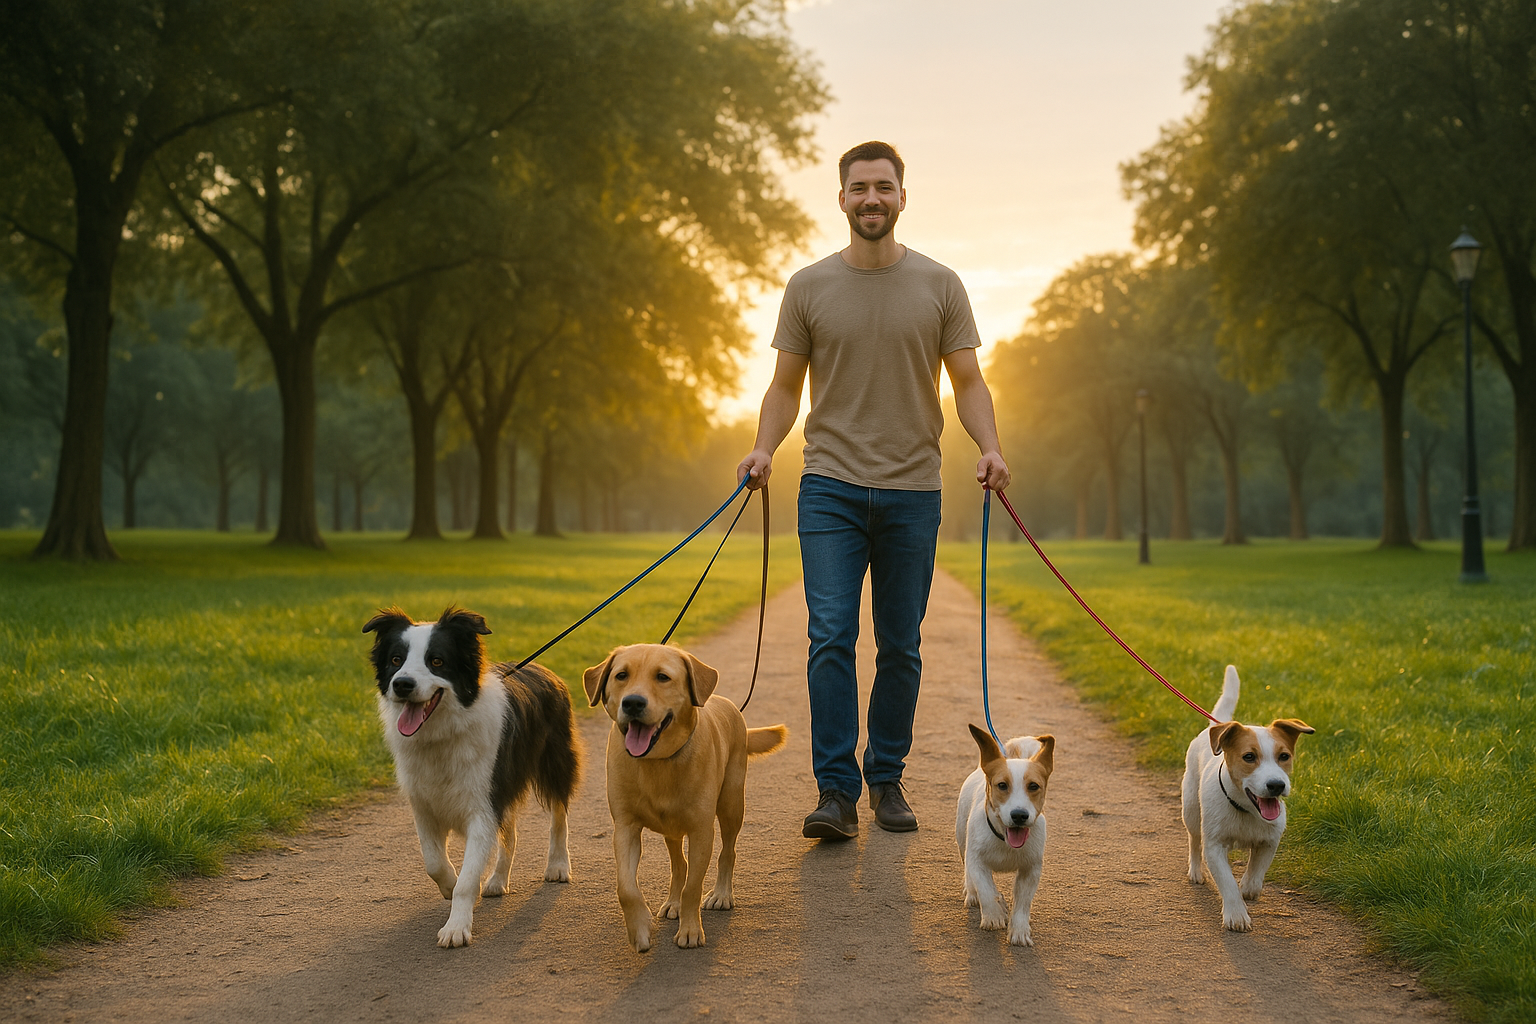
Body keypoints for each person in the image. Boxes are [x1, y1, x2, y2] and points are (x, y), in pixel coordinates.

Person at [736, 140, 1010, 840]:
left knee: (900, 645)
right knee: (830, 635)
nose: (871, 199)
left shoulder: (940, 284)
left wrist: (990, 448)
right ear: (841, 199)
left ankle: (886, 777)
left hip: (913, 491)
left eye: (883, 187)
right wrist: (764, 448)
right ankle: (836, 792)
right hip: (827, 486)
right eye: (859, 188)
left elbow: (969, 381)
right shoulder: (808, 286)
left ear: (901, 197)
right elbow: (783, 386)